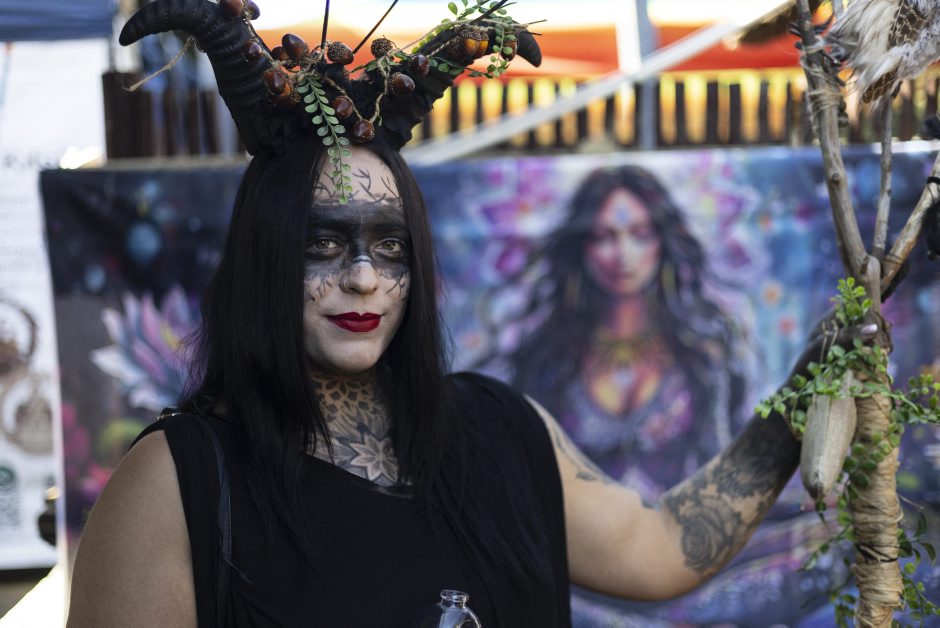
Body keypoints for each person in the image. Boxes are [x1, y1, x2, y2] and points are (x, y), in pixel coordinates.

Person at [66, 1, 879, 625]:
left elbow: (665, 548)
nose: (362, 277)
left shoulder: (501, 432)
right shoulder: (177, 484)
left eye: (390, 246)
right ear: (264, 256)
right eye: (323, 243)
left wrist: (817, 376)